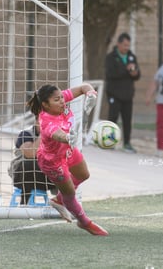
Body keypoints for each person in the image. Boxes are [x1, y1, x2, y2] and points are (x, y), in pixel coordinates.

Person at [27, 83, 109, 236]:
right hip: (52, 162)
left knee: (84, 175)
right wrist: (67, 138)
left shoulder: (60, 99)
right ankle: (84, 222)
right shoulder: (46, 121)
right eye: (57, 100)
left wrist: (90, 94)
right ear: (45, 104)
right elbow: (57, 134)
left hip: (68, 152)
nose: (62, 101)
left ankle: (58, 200)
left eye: (61, 98)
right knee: (70, 194)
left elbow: (83, 87)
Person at [105, 32, 141, 153]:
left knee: (127, 120)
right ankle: (109, 142)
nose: (126, 48)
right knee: (113, 118)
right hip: (114, 94)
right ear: (118, 44)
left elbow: (137, 75)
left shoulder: (132, 57)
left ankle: (126, 143)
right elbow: (111, 74)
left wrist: (135, 73)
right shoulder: (111, 57)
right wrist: (126, 70)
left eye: (128, 45)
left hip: (128, 95)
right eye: (124, 45)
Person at [8, 123, 57, 205]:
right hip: (22, 175)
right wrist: (44, 134)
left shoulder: (56, 134)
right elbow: (30, 154)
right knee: (30, 164)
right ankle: (24, 203)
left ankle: (64, 201)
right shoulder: (25, 134)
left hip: (44, 176)